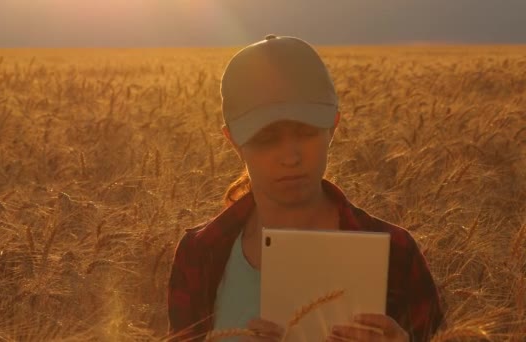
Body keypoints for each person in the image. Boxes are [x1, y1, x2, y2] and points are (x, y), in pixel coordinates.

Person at [167, 34, 444, 342]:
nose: (290, 157)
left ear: (333, 127)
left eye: (306, 131)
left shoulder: (397, 254)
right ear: (234, 141)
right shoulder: (200, 254)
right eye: (266, 137)